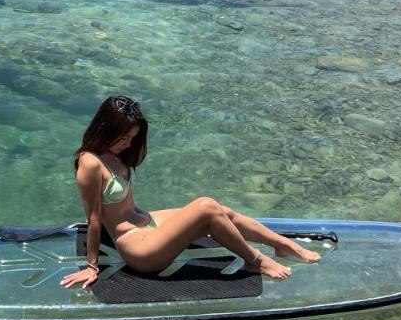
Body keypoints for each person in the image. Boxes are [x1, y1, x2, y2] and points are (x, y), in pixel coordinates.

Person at [60, 96, 320, 290]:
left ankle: (282, 244)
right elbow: (94, 218)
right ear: (105, 128)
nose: (127, 144)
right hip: (137, 247)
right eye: (122, 138)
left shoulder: (116, 155)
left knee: (221, 211)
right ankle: (256, 260)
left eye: (131, 138)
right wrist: (91, 267)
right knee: (205, 207)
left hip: (146, 222)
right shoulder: (90, 163)